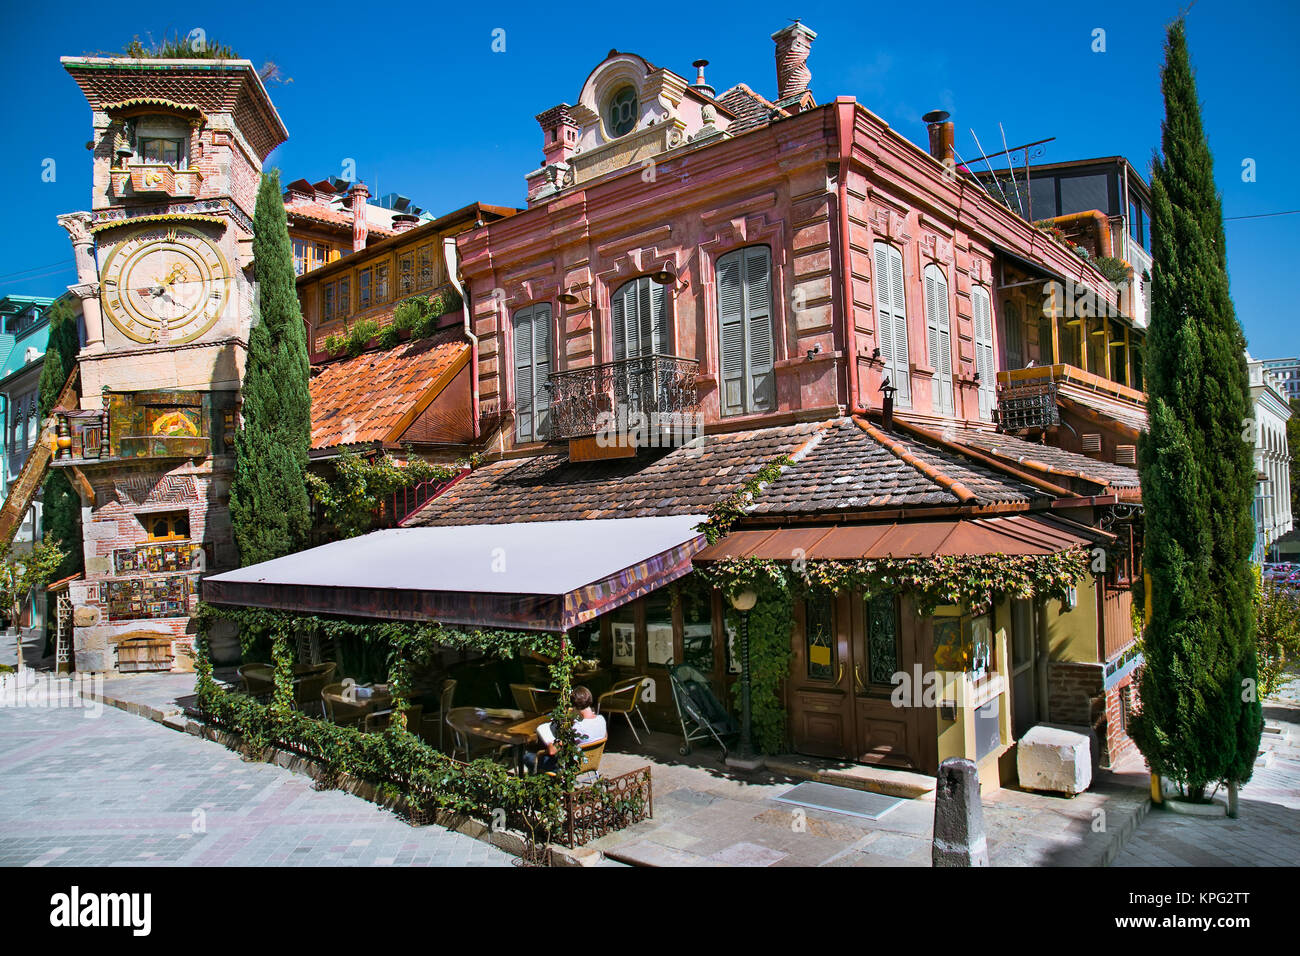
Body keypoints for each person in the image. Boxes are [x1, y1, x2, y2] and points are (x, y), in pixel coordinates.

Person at [524, 685, 607, 775]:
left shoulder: (578, 728)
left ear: (574, 707)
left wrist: (548, 738)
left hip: (571, 766)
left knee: (527, 757)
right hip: (591, 761)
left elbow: (552, 751)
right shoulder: (601, 719)